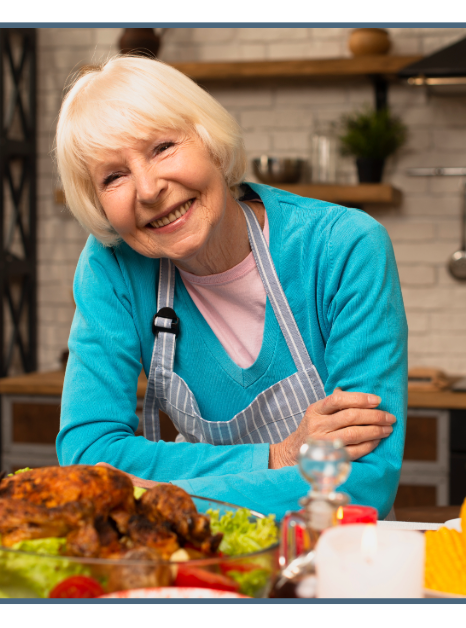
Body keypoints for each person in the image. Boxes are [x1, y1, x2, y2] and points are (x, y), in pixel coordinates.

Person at [54, 56, 407, 518]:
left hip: (328, 556)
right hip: (190, 560)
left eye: (162, 147)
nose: (147, 188)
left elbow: (362, 483)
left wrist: (151, 496)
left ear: (212, 143)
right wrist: (277, 457)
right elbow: (87, 456)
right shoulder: (112, 265)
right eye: (113, 176)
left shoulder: (343, 247)